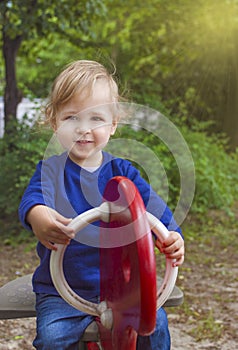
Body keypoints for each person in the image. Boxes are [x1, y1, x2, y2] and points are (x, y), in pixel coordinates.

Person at [19, 60, 185, 350]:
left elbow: (156, 213)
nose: (84, 128)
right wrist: (40, 217)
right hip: (61, 291)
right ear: (54, 120)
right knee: (53, 338)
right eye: (71, 117)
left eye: (96, 118)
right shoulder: (50, 171)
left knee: (155, 326)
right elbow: (33, 202)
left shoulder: (124, 173)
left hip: (125, 290)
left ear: (113, 124)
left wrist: (172, 237)